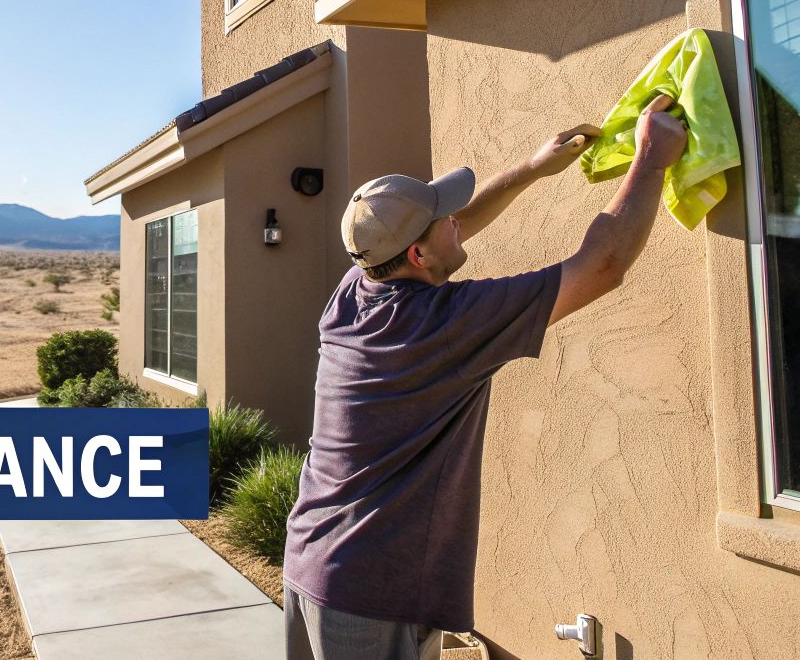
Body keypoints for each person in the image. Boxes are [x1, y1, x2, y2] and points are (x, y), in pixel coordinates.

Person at [283, 95, 689, 660]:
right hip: (372, 591)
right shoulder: (445, 325)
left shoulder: (353, 293)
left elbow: (445, 231)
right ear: (420, 254)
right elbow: (602, 266)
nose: (458, 220)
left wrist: (530, 168)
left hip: (313, 560)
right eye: (442, 219)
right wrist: (652, 156)